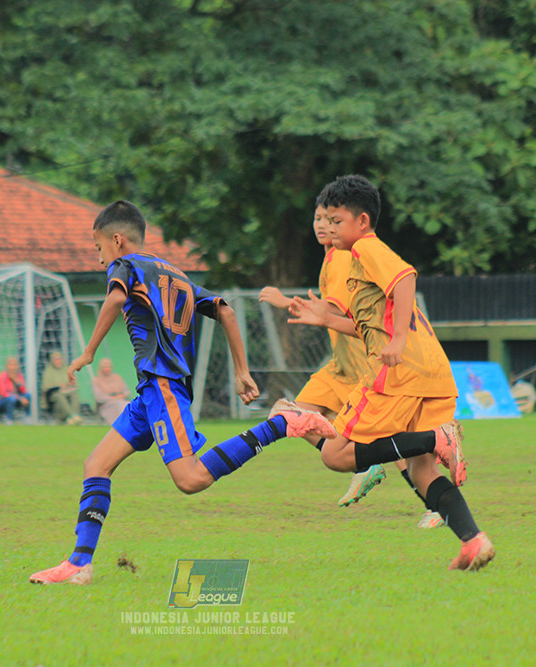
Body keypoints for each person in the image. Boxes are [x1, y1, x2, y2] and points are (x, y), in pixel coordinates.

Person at [29, 200, 335, 585]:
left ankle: (279, 423)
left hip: (164, 386)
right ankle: (78, 564)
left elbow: (116, 298)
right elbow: (224, 310)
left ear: (117, 240)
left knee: (190, 479)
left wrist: (88, 352)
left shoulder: (125, 266)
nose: (99, 257)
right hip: (150, 392)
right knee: (96, 465)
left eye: (98, 247)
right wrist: (242, 371)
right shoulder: (173, 273)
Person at [289, 175, 494, 571]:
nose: (328, 228)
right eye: (325, 220)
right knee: (421, 469)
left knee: (334, 454)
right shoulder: (354, 259)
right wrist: (325, 318)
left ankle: (437, 437)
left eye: (337, 220)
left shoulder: (366, 248)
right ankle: (474, 541)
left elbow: (405, 279)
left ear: (362, 221)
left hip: (399, 372)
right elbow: (369, 325)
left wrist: (397, 339)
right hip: (432, 370)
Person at [260, 202, 444, 529]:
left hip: (363, 364)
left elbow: (340, 311)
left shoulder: (346, 257)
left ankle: (434, 504)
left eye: (330, 220)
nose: (323, 226)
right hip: (338, 365)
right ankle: (364, 465)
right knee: (296, 413)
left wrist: (285, 301)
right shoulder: (332, 257)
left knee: (391, 443)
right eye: (318, 219)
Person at [41, 351, 83, 425]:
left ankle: (73, 417)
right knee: (59, 397)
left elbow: (74, 382)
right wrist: (59, 386)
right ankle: (73, 416)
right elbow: (46, 387)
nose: (58, 361)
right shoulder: (49, 371)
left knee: (74, 394)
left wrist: (68, 385)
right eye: (55, 359)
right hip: (55, 394)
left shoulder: (67, 368)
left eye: (59, 359)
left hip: (68, 391)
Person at [0, 357, 30, 425]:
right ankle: (9, 419)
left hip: (15, 399)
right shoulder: (3, 375)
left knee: (28, 396)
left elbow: (24, 391)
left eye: (15, 365)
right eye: (11, 364)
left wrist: (16, 381)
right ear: (7, 366)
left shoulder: (19, 376)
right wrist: (20, 398)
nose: (13, 367)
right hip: (0, 401)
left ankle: (27, 418)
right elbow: (3, 393)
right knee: (11, 398)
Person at [91, 357, 129, 425]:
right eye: (105, 367)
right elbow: (99, 397)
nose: (107, 369)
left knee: (127, 405)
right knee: (118, 404)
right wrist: (113, 398)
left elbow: (126, 391)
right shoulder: (97, 381)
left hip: (121, 400)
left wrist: (122, 396)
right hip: (106, 404)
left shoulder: (117, 378)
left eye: (109, 367)